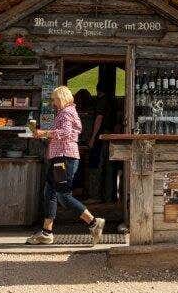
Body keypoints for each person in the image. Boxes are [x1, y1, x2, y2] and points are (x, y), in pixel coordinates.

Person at [26, 86, 105, 245]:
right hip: (59, 158)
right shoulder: (66, 112)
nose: (54, 103)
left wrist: (44, 133)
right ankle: (47, 232)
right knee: (50, 192)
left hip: (63, 159)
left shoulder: (66, 112)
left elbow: (66, 133)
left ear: (61, 98)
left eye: (55, 99)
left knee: (63, 195)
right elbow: (63, 132)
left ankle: (93, 222)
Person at [87, 70, 117, 202]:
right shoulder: (112, 103)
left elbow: (99, 118)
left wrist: (93, 137)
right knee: (109, 168)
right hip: (110, 137)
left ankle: (95, 196)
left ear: (97, 89)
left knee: (97, 166)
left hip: (101, 138)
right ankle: (109, 197)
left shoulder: (101, 101)